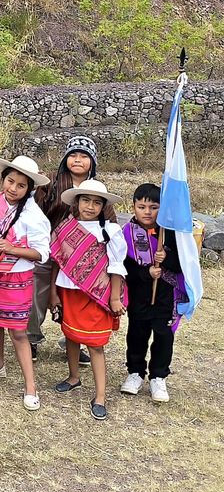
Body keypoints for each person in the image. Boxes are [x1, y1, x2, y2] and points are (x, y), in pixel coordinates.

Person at [0, 155, 51, 412]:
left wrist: (13, 249)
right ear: (3, 180)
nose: (13, 188)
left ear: (29, 189)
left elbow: (42, 253)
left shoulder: (34, 215)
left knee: (18, 331)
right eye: (10, 181)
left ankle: (31, 386)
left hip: (17, 276)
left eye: (20, 185)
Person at [48, 180, 127, 421]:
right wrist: (52, 293)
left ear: (103, 206)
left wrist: (114, 297)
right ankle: (74, 377)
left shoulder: (111, 232)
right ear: (77, 202)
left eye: (96, 202)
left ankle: (100, 395)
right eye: (85, 200)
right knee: (71, 335)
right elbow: (57, 262)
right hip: (69, 291)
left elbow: (116, 266)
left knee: (95, 344)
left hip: (97, 295)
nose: (90, 206)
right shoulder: (64, 228)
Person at [29, 135, 108, 363]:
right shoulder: (51, 182)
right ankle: (32, 337)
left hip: (82, 256)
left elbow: (108, 220)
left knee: (76, 298)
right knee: (37, 292)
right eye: (73, 155)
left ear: (92, 161)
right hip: (48, 247)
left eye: (84, 156)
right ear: (65, 158)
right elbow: (35, 212)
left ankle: (73, 341)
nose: (78, 160)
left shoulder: (96, 188)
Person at [120, 183, 185, 403]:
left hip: (166, 296)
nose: (147, 212)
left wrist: (167, 259)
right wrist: (147, 272)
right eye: (142, 207)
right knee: (137, 333)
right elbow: (125, 268)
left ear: (162, 209)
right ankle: (135, 372)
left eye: (153, 207)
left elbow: (184, 264)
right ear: (133, 207)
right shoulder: (127, 234)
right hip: (140, 294)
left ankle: (158, 375)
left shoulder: (171, 235)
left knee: (164, 336)